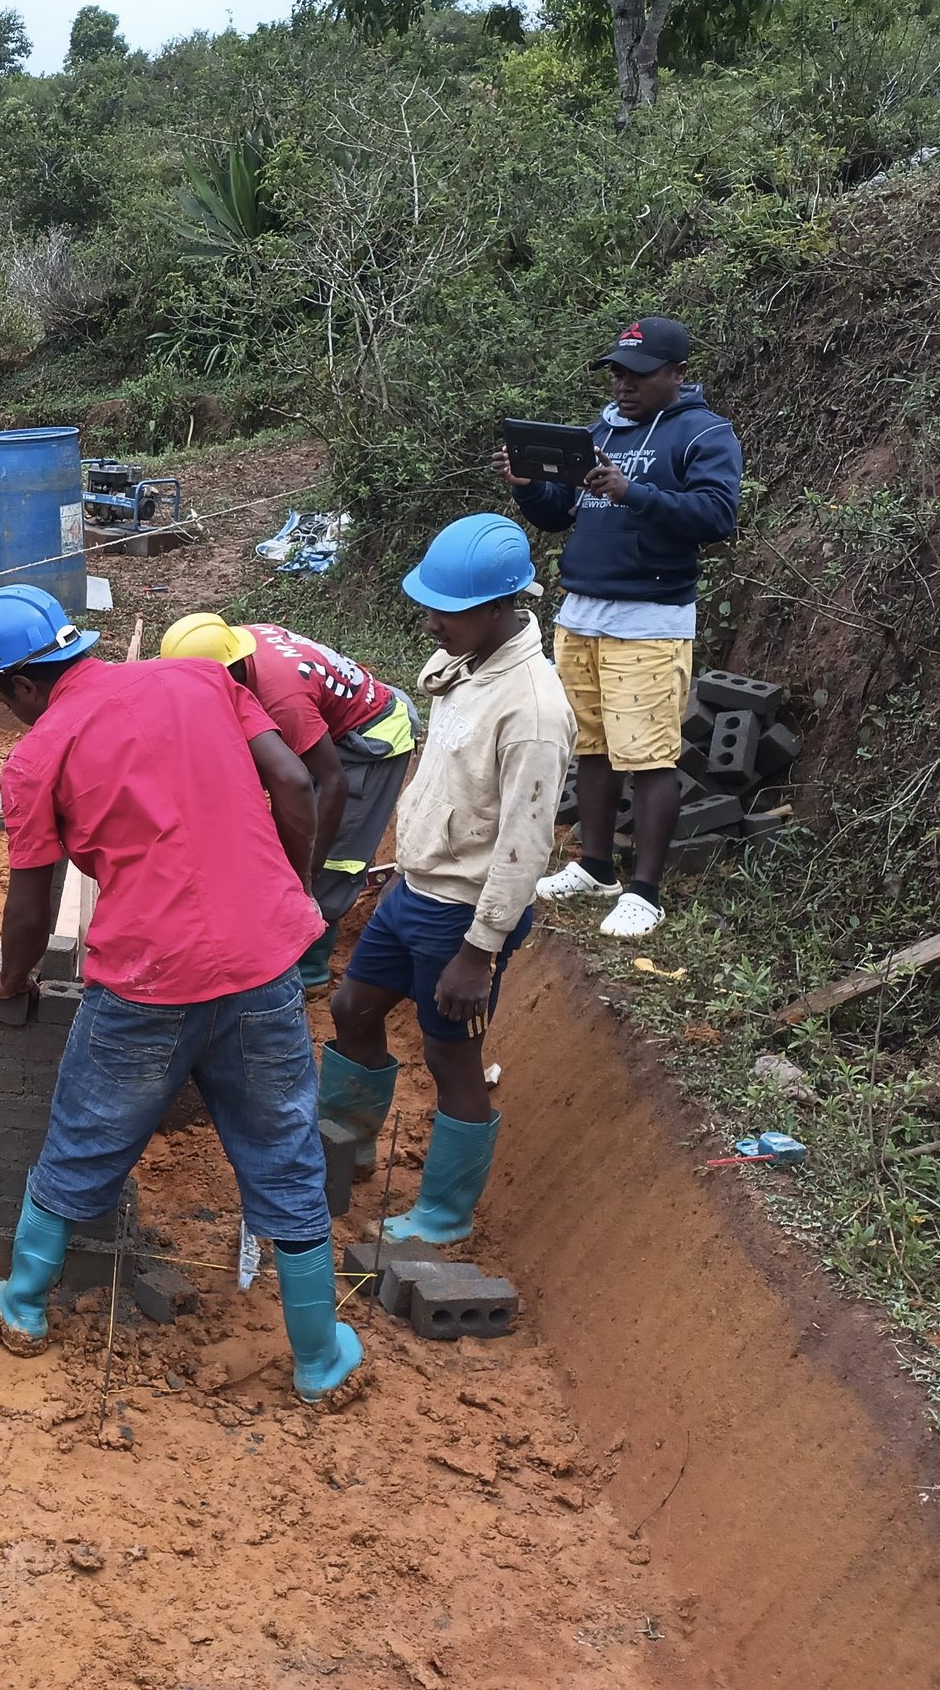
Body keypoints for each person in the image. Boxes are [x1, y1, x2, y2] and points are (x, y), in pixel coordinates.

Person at [0, 584, 362, 1404]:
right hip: (262, 964)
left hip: (147, 977)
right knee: (285, 1151)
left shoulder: (39, 755)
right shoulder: (200, 679)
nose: (10, 716)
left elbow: (31, 902)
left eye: (3, 699)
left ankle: (25, 1303)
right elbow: (294, 781)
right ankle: (320, 1356)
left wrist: (10, 978)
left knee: (84, 1137)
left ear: (23, 686)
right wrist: (288, 890)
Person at [324, 515, 573, 1241]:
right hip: (415, 890)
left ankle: (442, 1215)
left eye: (447, 610)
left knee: (452, 1056)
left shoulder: (532, 709)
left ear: (500, 608)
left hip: (461, 913)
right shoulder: (469, 667)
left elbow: (527, 844)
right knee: (352, 1007)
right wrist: (453, 652)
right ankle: (350, 1142)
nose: (431, 620)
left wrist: (479, 949)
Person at [502, 315, 741, 940]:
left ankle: (645, 892)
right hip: (581, 611)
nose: (622, 383)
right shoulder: (598, 429)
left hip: (650, 619)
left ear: (676, 374)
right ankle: (597, 867)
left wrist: (634, 492)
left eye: (637, 373)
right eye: (616, 371)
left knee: (651, 756)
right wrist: (528, 487)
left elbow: (717, 516)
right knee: (593, 746)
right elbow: (562, 514)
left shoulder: (704, 433)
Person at [160, 613, 418, 990]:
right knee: (293, 820)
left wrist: (305, 876)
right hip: (328, 725)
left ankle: (309, 966)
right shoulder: (234, 645)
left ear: (230, 673)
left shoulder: (284, 701)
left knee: (336, 850)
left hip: (372, 738)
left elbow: (334, 783)